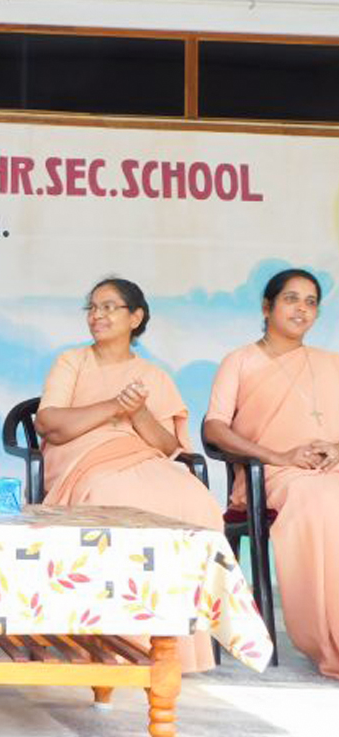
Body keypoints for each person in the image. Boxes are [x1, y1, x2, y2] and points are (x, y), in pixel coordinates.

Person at [36, 277, 222, 672]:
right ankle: (117, 640)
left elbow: (168, 446)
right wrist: (112, 407)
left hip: (140, 458)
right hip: (83, 459)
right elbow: (50, 424)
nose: (97, 315)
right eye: (92, 307)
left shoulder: (153, 375)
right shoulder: (72, 361)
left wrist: (137, 412)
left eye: (109, 307)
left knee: (196, 501)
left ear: (136, 317)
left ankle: (171, 642)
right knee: (116, 497)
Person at [204, 268, 339, 679]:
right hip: (273, 477)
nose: (302, 308)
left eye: (311, 301)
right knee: (321, 501)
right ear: (267, 307)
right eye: (291, 299)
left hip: (331, 469)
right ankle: (329, 638)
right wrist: (277, 455)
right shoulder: (240, 361)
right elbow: (215, 428)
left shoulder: (330, 363)